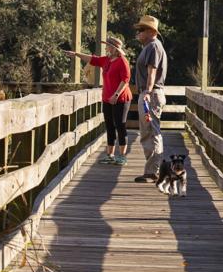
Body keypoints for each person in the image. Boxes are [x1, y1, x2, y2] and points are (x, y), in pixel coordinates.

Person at [64, 36, 132, 165]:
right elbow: (91, 59)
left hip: (121, 99)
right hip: (107, 98)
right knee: (109, 126)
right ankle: (110, 155)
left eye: (108, 46)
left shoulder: (122, 61)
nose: (106, 48)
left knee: (120, 125)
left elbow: (125, 80)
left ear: (114, 48)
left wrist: (116, 95)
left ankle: (122, 156)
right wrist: (76, 54)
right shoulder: (106, 60)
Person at [131, 15, 168, 182]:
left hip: (150, 95)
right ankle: (151, 170)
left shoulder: (153, 46)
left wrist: (147, 91)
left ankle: (153, 172)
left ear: (152, 31)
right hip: (149, 94)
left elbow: (152, 72)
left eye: (142, 29)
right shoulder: (150, 47)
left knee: (152, 132)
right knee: (147, 132)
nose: (138, 33)